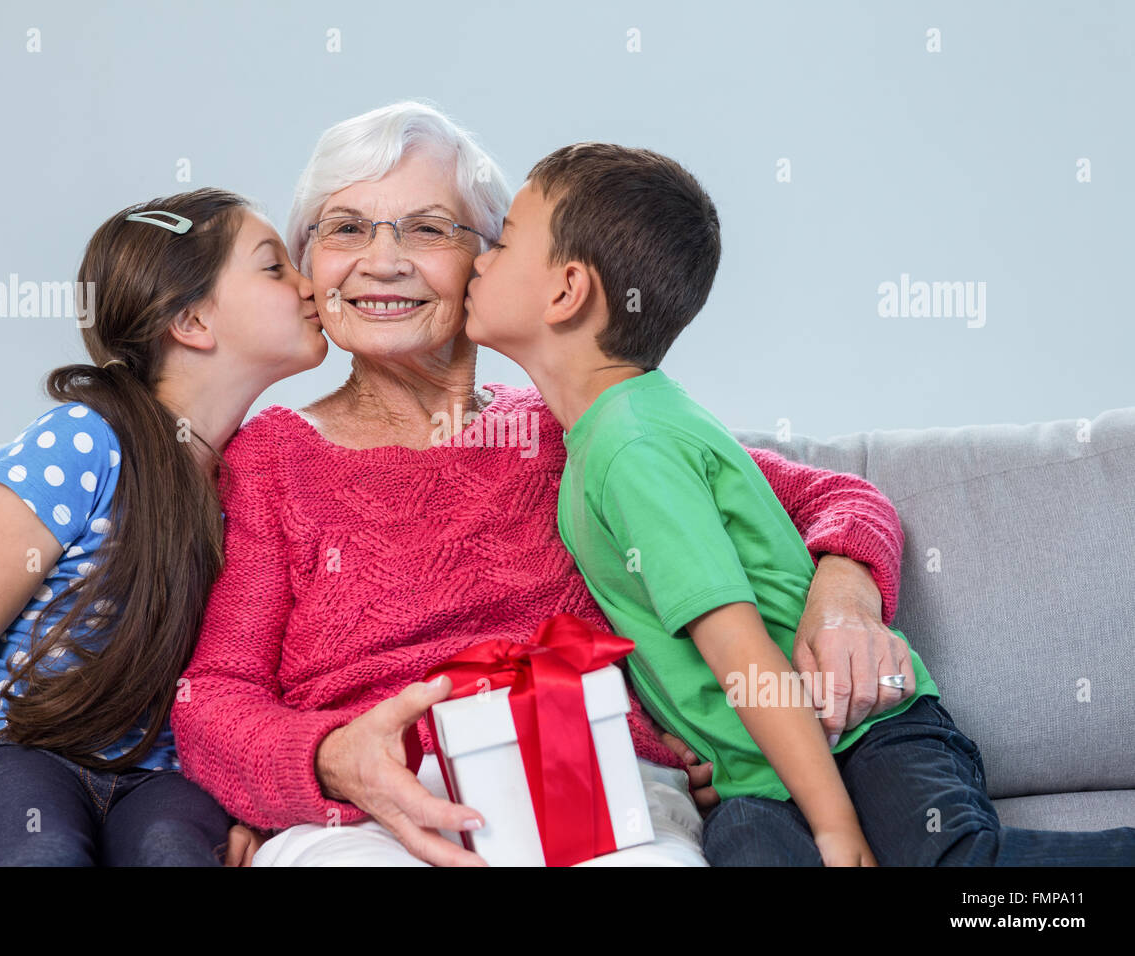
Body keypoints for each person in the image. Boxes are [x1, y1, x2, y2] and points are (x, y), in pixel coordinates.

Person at [171, 102, 926, 866]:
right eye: (344, 228)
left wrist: (844, 602)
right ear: (310, 264)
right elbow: (212, 700)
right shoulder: (271, 460)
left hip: (590, 777)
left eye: (428, 228)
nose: (382, 260)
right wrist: (329, 760)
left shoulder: (580, 429)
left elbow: (836, 498)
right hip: (379, 812)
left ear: (489, 261)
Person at [463, 140, 1135, 865]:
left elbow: (741, 651)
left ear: (566, 291)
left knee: (952, 865)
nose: (477, 259)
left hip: (863, 734)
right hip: (761, 778)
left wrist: (838, 829)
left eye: (499, 242)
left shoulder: (631, 448)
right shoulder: (611, 432)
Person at [0, 187, 325, 866]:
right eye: (274, 266)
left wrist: (254, 806)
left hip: (163, 778)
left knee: (173, 853)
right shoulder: (84, 441)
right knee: (41, 852)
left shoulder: (256, 480)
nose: (311, 285)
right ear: (193, 321)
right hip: (26, 754)